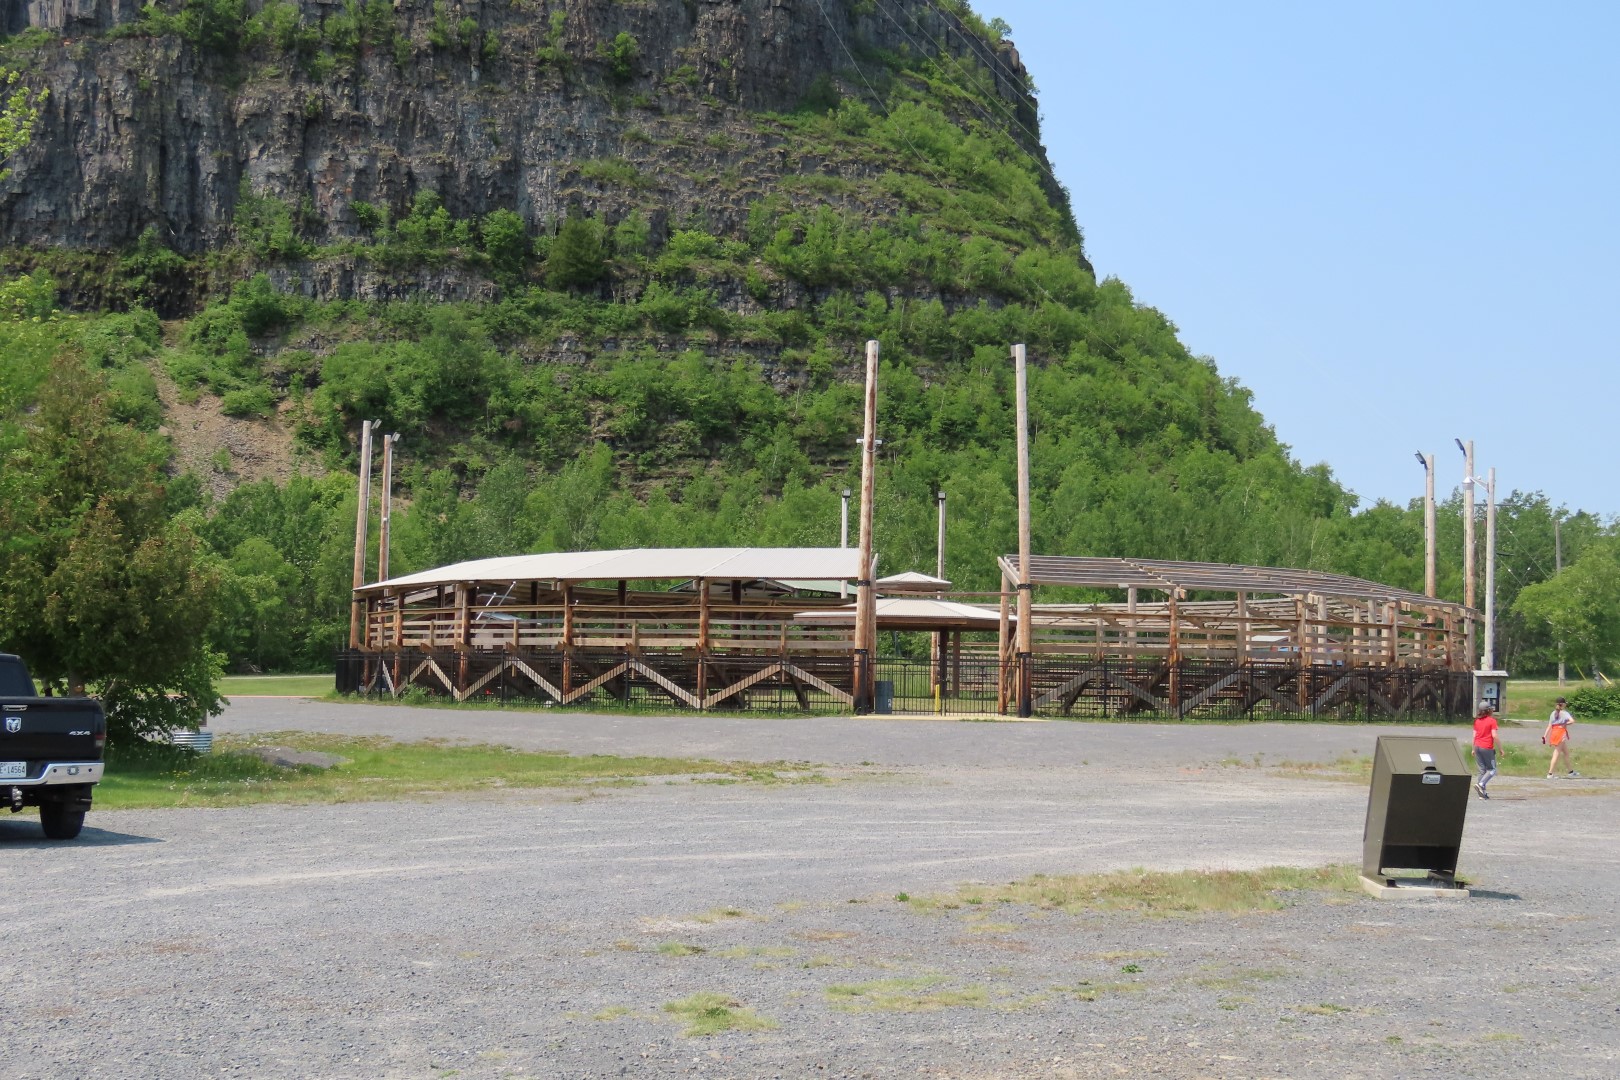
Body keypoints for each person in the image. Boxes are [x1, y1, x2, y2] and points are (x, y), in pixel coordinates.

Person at [1545, 696, 1580, 778]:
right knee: (1556, 753)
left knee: (1566, 753)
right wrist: (1564, 724)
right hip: (1560, 733)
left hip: (1554, 732)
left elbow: (1549, 725)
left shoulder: (1553, 713)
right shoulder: (1564, 713)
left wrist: (1545, 736)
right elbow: (1572, 721)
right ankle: (1550, 773)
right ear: (1563, 704)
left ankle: (1570, 772)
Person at [1473, 703, 1499, 799]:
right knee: (1492, 770)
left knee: (1482, 770)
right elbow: (1494, 735)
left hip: (1477, 746)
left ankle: (1482, 794)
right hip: (1487, 747)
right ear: (1489, 710)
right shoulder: (1492, 721)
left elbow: (1474, 736)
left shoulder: (1477, 721)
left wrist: (1473, 748)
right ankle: (1481, 784)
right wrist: (1500, 748)